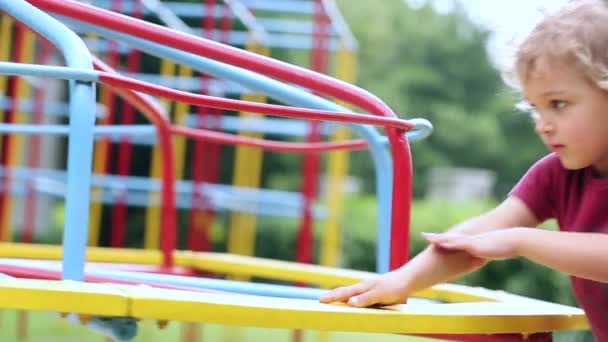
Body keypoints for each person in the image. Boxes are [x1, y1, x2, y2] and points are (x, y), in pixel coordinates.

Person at [319, 1, 608, 340]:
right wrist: (402, 280)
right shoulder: (556, 175)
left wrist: (520, 240)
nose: (543, 125)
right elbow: (480, 237)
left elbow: (511, 238)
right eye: (535, 107)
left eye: (558, 104)